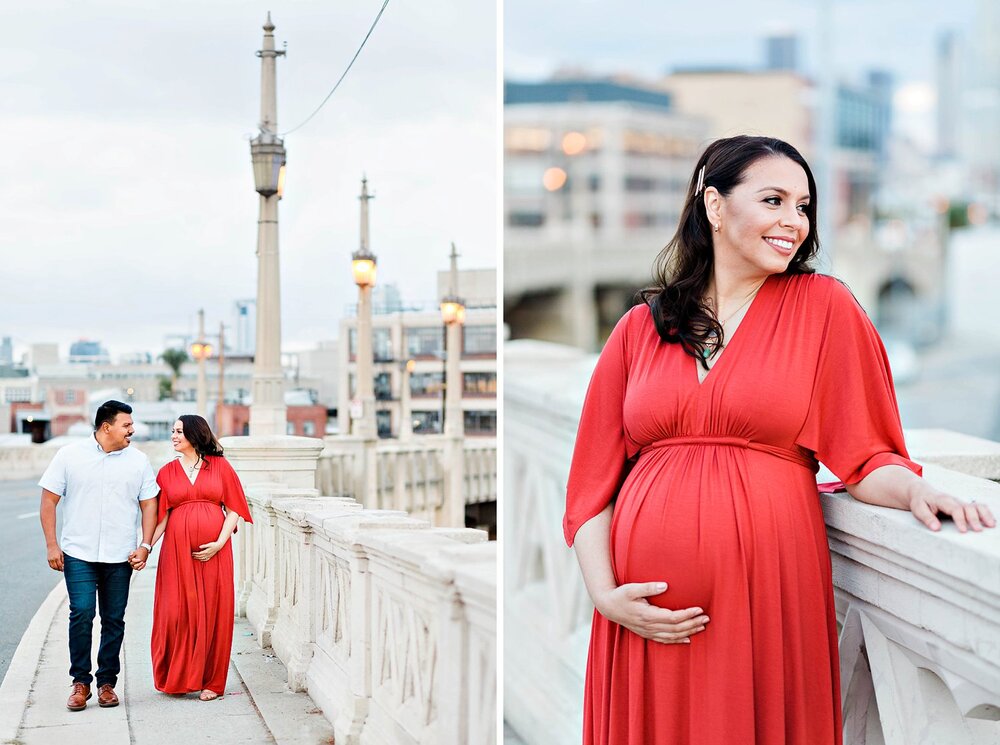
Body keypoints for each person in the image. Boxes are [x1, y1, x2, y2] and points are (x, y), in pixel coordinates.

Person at [564, 135, 996, 745]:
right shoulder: (641, 328)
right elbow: (589, 487)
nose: (793, 222)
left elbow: (865, 455)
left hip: (764, 594)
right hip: (643, 617)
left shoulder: (825, 308)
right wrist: (606, 596)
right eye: (774, 201)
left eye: (803, 206)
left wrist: (917, 493)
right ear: (714, 206)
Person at [39, 400, 159, 711]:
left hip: (120, 555)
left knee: (113, 620)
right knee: (81, 614)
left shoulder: (139, 461)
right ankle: (80, 682)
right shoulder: (69, 456)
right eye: (126, 425)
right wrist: (52, 545)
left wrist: (145, 545)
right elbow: (49, 500)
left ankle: (107, 682)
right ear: (106, 427)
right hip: (78, 552)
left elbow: (149, 505)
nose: (131, 429)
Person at [133, 414, 251, 701]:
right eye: (172, 431)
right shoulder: (166, 472)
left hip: (214, 552)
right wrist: (146, 546)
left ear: (195, 435)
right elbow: (161, 517)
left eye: (179, 432)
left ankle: (212, 681)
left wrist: (219, 543)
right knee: (175, 613)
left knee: (213, 612)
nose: (173, 436)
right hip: (176, 552)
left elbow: (234, 507)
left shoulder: (220, 467)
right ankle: (178, 677)